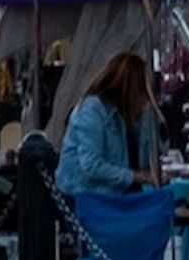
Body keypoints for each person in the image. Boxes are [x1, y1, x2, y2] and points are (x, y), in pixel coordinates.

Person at [57, 49, 156, 197]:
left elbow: (148, 154)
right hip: (87, 194)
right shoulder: (92, 111)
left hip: (119, 193)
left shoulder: (133, 115)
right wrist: (136, 177)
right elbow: (91, 165)